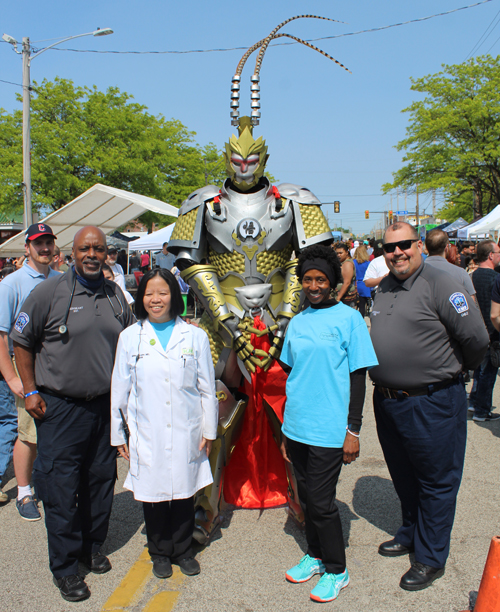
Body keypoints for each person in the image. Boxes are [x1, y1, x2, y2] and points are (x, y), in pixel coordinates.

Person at [11, 226, 134, 602]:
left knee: (99, 482)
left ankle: (90, 548)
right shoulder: (49, 292)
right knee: (62, 489)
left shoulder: (115, 295)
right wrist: (30, 389)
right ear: (72, 252)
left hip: (104, 406)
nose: (93, 254)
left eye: (99, 248)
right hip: (60, 407)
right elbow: (21, 341)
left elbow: (132, 341)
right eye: (85, 249)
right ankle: (64, 568)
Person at [369, 222, 488, 591]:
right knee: (404, 476)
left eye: (404, 245)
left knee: (436, 482)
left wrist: (450, 374)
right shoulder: (385, 286)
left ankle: (430, 556)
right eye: (389, 248)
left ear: (419, 245)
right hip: (389, 401)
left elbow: (477, 340)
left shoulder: (441, 284)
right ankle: (410, 532)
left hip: (432, 402)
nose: (397, 253)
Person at [280, 245, 378, 603]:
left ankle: (337, 570)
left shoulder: (349, 319)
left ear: (333, 281)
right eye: (307, 279)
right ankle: (316, 555)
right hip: (297, 427)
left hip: (330, 430)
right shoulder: (298, 321)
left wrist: (353, 430)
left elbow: (357, 377)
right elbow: (292, 372)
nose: (314, 285)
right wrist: (285, 431)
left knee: (321, 503)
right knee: (306, 499)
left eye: (321, 279)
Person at [111, 269, 218, 579]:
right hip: (147, 430)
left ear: (175, 296)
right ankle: (159, 552)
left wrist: (209, 431)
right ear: (141, 299)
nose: (155, 299)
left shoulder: (194, 335)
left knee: (184, 493)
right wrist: (118, 434)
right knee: (153, 495)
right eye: (148, 294)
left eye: (162, 293)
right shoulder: (130, 337)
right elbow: (119, 389)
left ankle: (183, 550)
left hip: (188, 430)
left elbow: (207, 389)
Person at [0, 223, 59, 516]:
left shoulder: (63, 279)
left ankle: (51, 486)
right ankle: (24, 493)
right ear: (27, 248)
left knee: (53, 427)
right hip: (25, 366)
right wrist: (11, 377)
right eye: (39, 243)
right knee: (27, 431)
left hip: (56, 365)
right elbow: (1, 335)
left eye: (49, 242)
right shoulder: (12, 283)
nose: (45, 248)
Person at [468, 240, 500, 421]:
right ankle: (482, 410)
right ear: (490, 255)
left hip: (475, 332)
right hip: (492, 332)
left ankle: (474, 401)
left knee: (480, 371)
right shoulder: (496, 279)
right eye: (498, 253)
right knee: (488, 373)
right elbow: (496, 313)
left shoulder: (471, 276)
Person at [424, 229, 477, 303]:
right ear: (447, 248)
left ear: (426, 248)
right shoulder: (460, 273)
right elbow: (471, 303)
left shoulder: (415, 272)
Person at [333, 243, 357, 307]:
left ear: (346, 252)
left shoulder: (347, 264)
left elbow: (347, 282)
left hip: (345, 297)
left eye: (341, 253)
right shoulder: (341, 263)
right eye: (337, 253)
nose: (338, 255)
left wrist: (338, 298)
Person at [353, 245, 371, 317]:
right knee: (362, 306)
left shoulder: (353, 262)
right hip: (365, 285)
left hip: (356, 284)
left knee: (354, 306)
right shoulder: (368, 263)